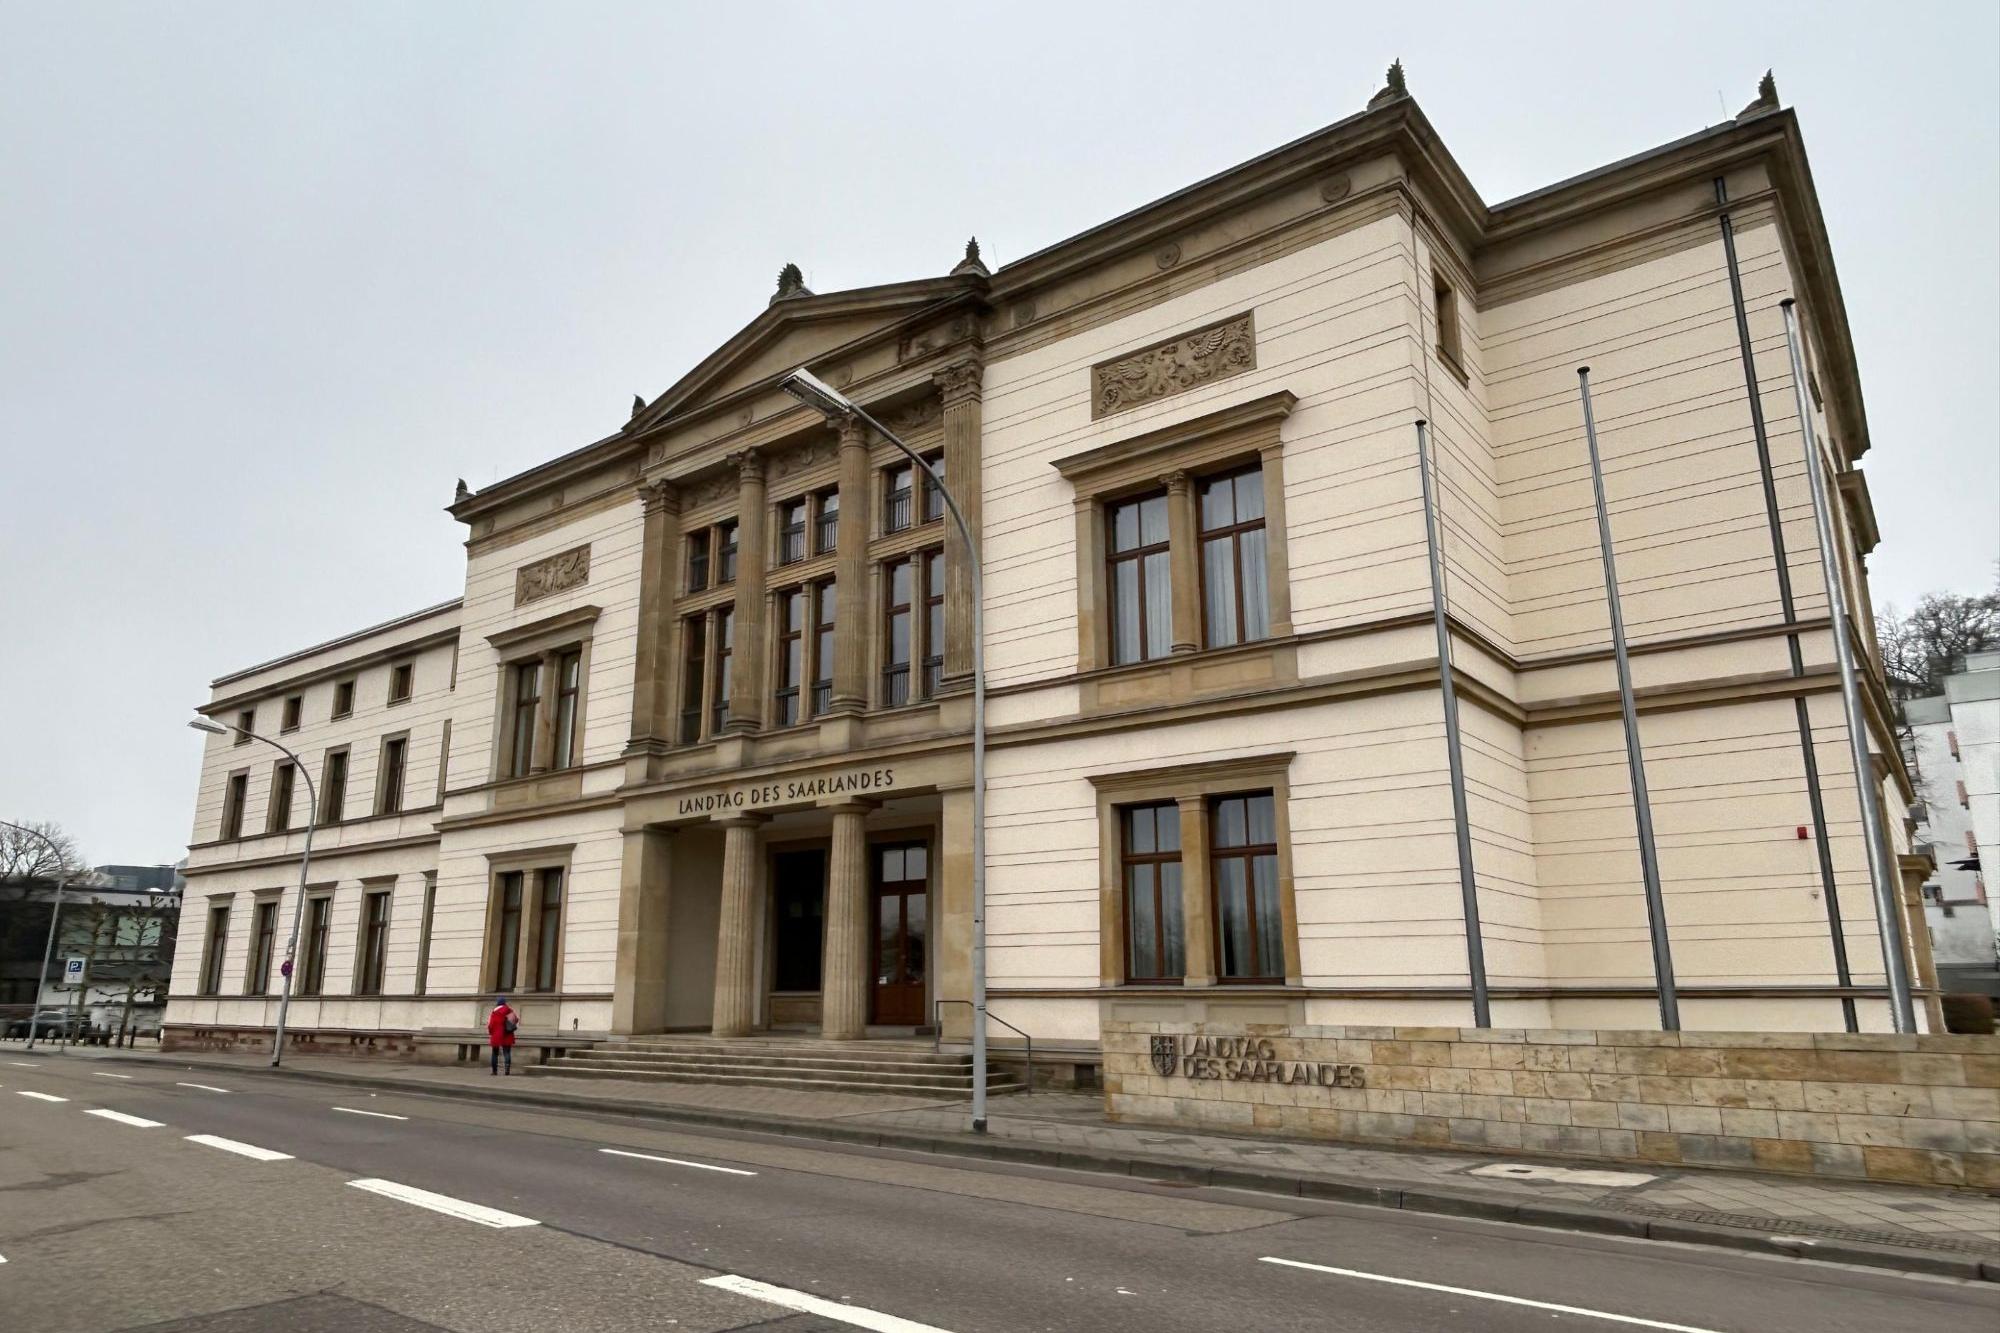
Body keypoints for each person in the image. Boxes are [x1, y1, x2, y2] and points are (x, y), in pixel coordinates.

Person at [487, 996, 518, 1076]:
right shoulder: (509, 1010)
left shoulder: (495, 1012)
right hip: (507, 1033)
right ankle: (507, 1071)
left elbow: (491, 1025)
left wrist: (491, 1032)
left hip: (497, 1034)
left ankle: (494, 1071)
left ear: (497, 1003)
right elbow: (516, 1019)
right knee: (507, 1052)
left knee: (495, 1053)